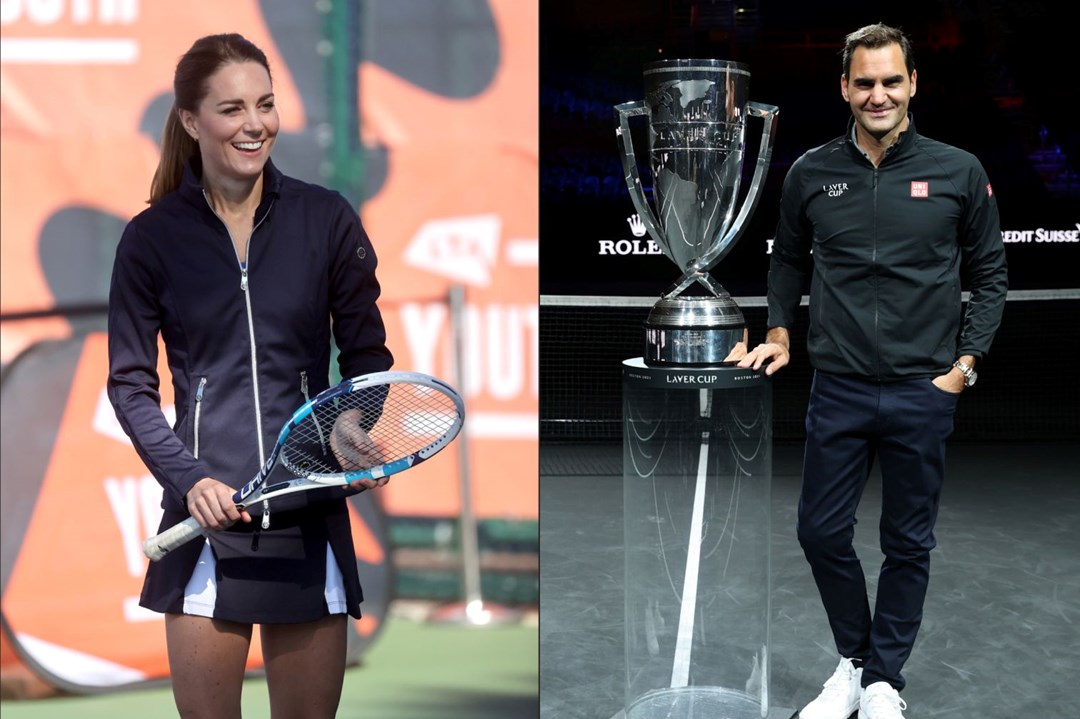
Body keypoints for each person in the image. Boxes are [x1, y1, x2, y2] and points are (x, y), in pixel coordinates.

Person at [107, 33, 393, 718]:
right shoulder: (150, 239)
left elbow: (368, 361)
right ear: (191, 121)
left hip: (308, 518)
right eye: (232, 108)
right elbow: (130, 386)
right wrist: (190, 478)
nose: (254, 123)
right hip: (204, 527)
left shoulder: (326, 219)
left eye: (265, 104)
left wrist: (355, 423)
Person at [738, 22, 1008, 719]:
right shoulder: (810, 172)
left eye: (892, 80)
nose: (879, 93)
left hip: (926, 388)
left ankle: (884, 679)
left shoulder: (959, 170)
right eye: (865, 82)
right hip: (840, 386)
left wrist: (964, 365)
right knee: (820, 532)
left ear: (913, 83)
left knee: (906, 542)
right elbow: (788, 259)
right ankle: (856, 662)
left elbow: (990, 273)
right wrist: (779, 330)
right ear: (844, 88)